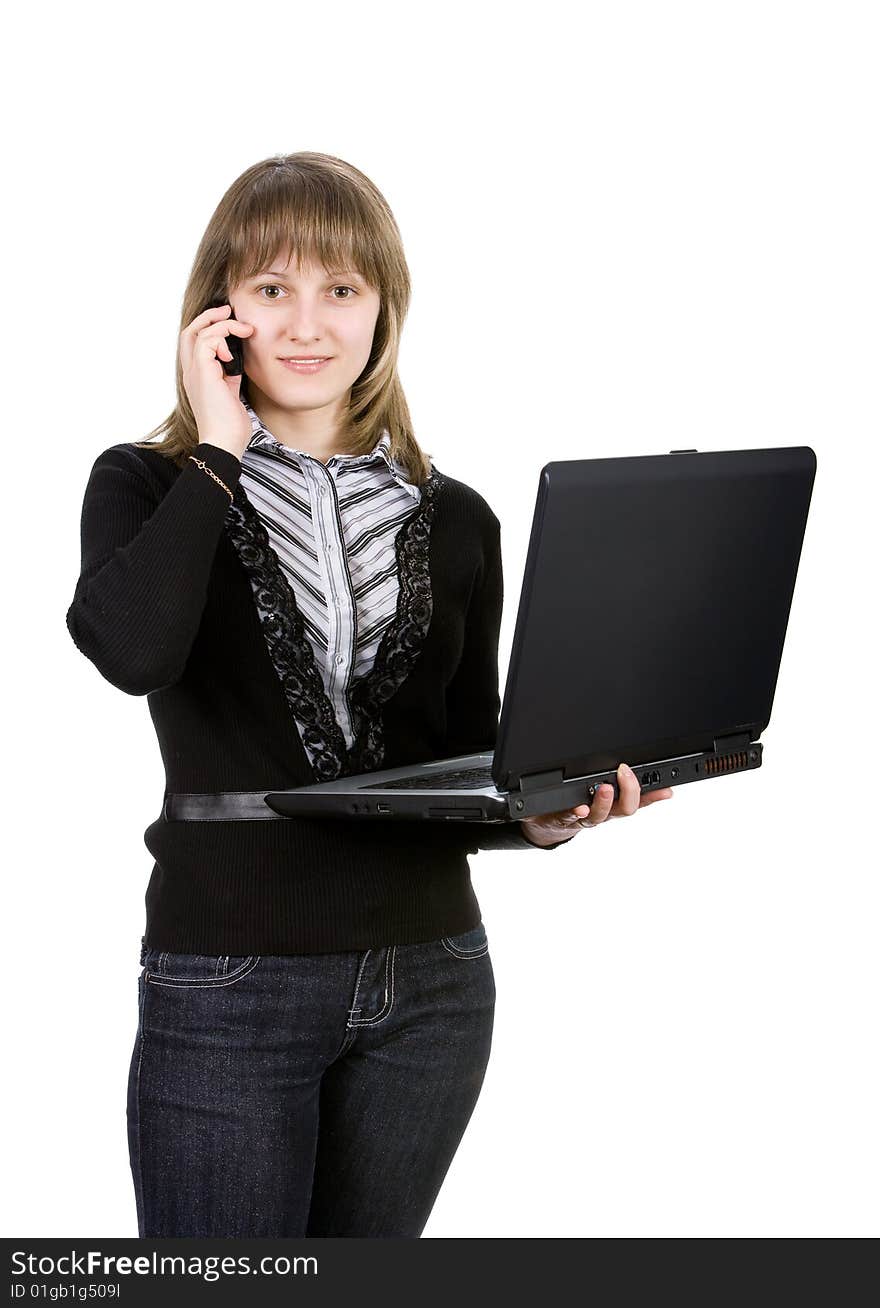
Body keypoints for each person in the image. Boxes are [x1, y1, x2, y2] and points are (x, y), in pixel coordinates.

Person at [65, 151, 673, 1239]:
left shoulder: (460, 520)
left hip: (433, 982)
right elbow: (131, 653)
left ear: (385, 311)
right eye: (272, 289)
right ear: (219, 313)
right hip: (231, 978)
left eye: (342, 289)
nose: (308, 323)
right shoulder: (149, 485)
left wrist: (539, 817)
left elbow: (466, 756)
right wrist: (217, 448)